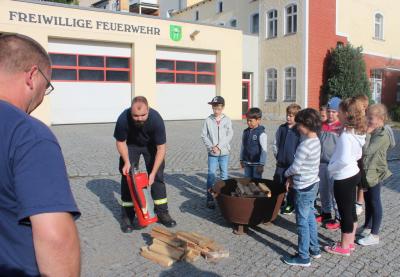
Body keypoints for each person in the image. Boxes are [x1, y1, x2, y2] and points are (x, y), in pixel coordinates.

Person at [0, 34, 81, 276]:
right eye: (47, 86)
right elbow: (55, 239)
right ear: (32, 75)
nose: (43, 95)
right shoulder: (27, 135)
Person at [114, 96, 176, 231]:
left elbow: (161, 148)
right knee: (128, 177)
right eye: (135, 115)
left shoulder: (156, 119)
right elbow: (120, 142)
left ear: (148, 110)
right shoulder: (123, 119)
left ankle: (162, 212)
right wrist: (126, 162)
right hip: (131, 145)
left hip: (151, 146)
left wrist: (153, 173)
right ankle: (127, 216)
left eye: (143, 115)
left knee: (158, 177)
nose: (139, 118)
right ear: (131, 111)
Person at [325, 97, 366, 256]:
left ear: (346, 114)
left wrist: (330, 168)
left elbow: (342, 159)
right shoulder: (356, 131)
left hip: (344, 177)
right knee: (351, 211)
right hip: (353, 173)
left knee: (345, 212)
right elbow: (357, 154)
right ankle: (349, 243)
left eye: (339, 112)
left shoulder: (346, 136)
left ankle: (344, 246)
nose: (337, 115)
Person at [282, 108, 322, 267]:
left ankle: (303, 256)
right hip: (313, 184)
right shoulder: (316, 139)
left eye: (299, 123)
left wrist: (286, 174)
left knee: (302, 222)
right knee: (310, 216)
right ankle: (314, 248)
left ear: (306, 124)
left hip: (303, 187)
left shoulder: (305, 145)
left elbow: (295, 167)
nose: (297, 126)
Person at [357, 104, 395, 246]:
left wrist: (366, 133)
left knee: (375, 202)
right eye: (367, 116)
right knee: (368, 200)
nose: (367, 120)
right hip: (367, 172)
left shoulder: (382, 135)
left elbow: (367, 151)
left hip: (375, 174)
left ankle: (375, 234)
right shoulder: (375, 130)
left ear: (380, 119)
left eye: (370, 118)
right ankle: (367, 227)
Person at [201, 96, 233, 209]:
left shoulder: (227, 120)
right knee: (211, 176)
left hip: (224, 152)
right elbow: (204, 135)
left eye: (218, 108)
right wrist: (211, 147)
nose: (216, 111)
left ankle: (224, 198)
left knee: (224, 175)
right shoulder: (208, 120)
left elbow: (230, 135)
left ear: (222, 107)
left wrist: (219, 146)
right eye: (214, 108)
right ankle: (210, 199)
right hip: (212, 153)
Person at [317, 97, 342, 230]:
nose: (331, 114)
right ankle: (326, 213)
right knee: (323, 190)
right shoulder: (323, 125)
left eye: (334, 112)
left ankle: (338, 217)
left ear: (339, 112)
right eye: (329, 111)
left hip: (334, 165)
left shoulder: (340, 127)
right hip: (322, 163)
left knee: (335, 192)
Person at [272, 104, 301, 215]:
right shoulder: (282, 128)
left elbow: (300, 147)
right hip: (281, 163)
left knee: (292, 185)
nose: (288, 117)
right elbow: (275, 143)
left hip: (292, 165)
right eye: (287, 115)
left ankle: (290, 204)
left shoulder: (298, 130)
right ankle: (280, 201)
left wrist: (296, 160)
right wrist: (278, 156)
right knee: (278, 182)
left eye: (291, 116)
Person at [354, 94, 370, 216]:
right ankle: (355, 201)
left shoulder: (366, 120)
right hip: (355, 155)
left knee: (361, 182)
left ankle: (359, 203)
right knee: (355, 180)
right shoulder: (354, 118)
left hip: (363, 156)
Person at [240, 108, 267, 179]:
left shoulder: (261, 133)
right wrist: (241, 159)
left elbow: (264, 150)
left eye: (251, 121)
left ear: (258, 120)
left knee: (256, 181)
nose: (248, 122)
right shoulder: (245, 132)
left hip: (257, 164)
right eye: (247, 120)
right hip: (246, 162)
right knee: (247, 180)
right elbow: (243, 146)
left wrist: (261, 164)